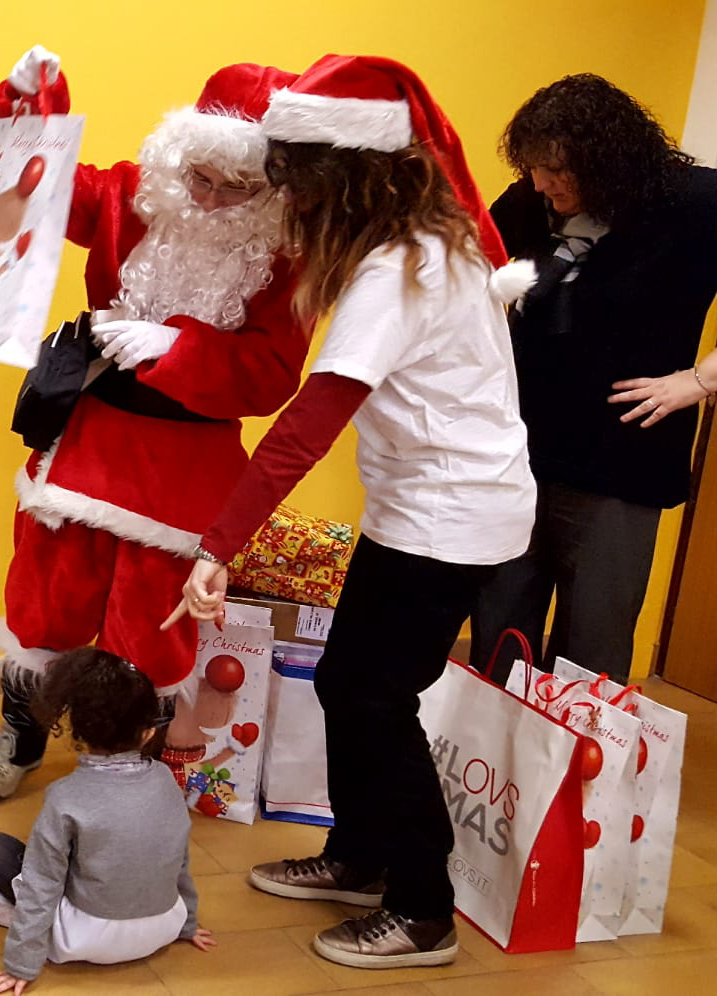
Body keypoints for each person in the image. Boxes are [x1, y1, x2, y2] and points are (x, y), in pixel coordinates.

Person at [171, 55, 535, 969]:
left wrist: (218, 546)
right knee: (349, 681)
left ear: (349, 178)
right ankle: (362, 856)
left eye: (298, 184)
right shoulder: (422, 247)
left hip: (451, 520)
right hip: (425, 508)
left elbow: (305, 428)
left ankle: (423, 910)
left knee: (376, 696)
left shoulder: (402, 272)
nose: (290, 202)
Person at [0, 46, 313, 804]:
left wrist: (177, 347)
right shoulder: (133, 191)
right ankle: (21, 735)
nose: (212, 199)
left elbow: (272, 375)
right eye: (200, 178)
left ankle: (127, 772)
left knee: (150, 628)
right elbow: (46, 190)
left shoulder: (288, 256)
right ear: (178, 157)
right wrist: (32, 112)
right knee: (44, 600)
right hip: (90, 436)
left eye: (236, 187)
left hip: (189, 462)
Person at [471, 74, 717, 684]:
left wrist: (699, 381)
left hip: (620, 466)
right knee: (497, 642)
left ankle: (572, 754)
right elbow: (462, 267)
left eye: (557, 169)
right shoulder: (530, 202)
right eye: (532, 167)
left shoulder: (696, 203)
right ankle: (489, 751)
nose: (540, 183)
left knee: (590, 662)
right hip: (516, 455)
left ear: (608, 160)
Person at [0, 647, 213, 995]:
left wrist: (20, 966)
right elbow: (178, 860)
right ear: (148, 733)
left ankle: (14, 916)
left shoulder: (64, 796)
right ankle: (24, 918)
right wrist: (187, 923)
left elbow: (41, 883)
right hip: (165, 927)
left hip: (81, 938)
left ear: (77, 734)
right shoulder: (167, 780)